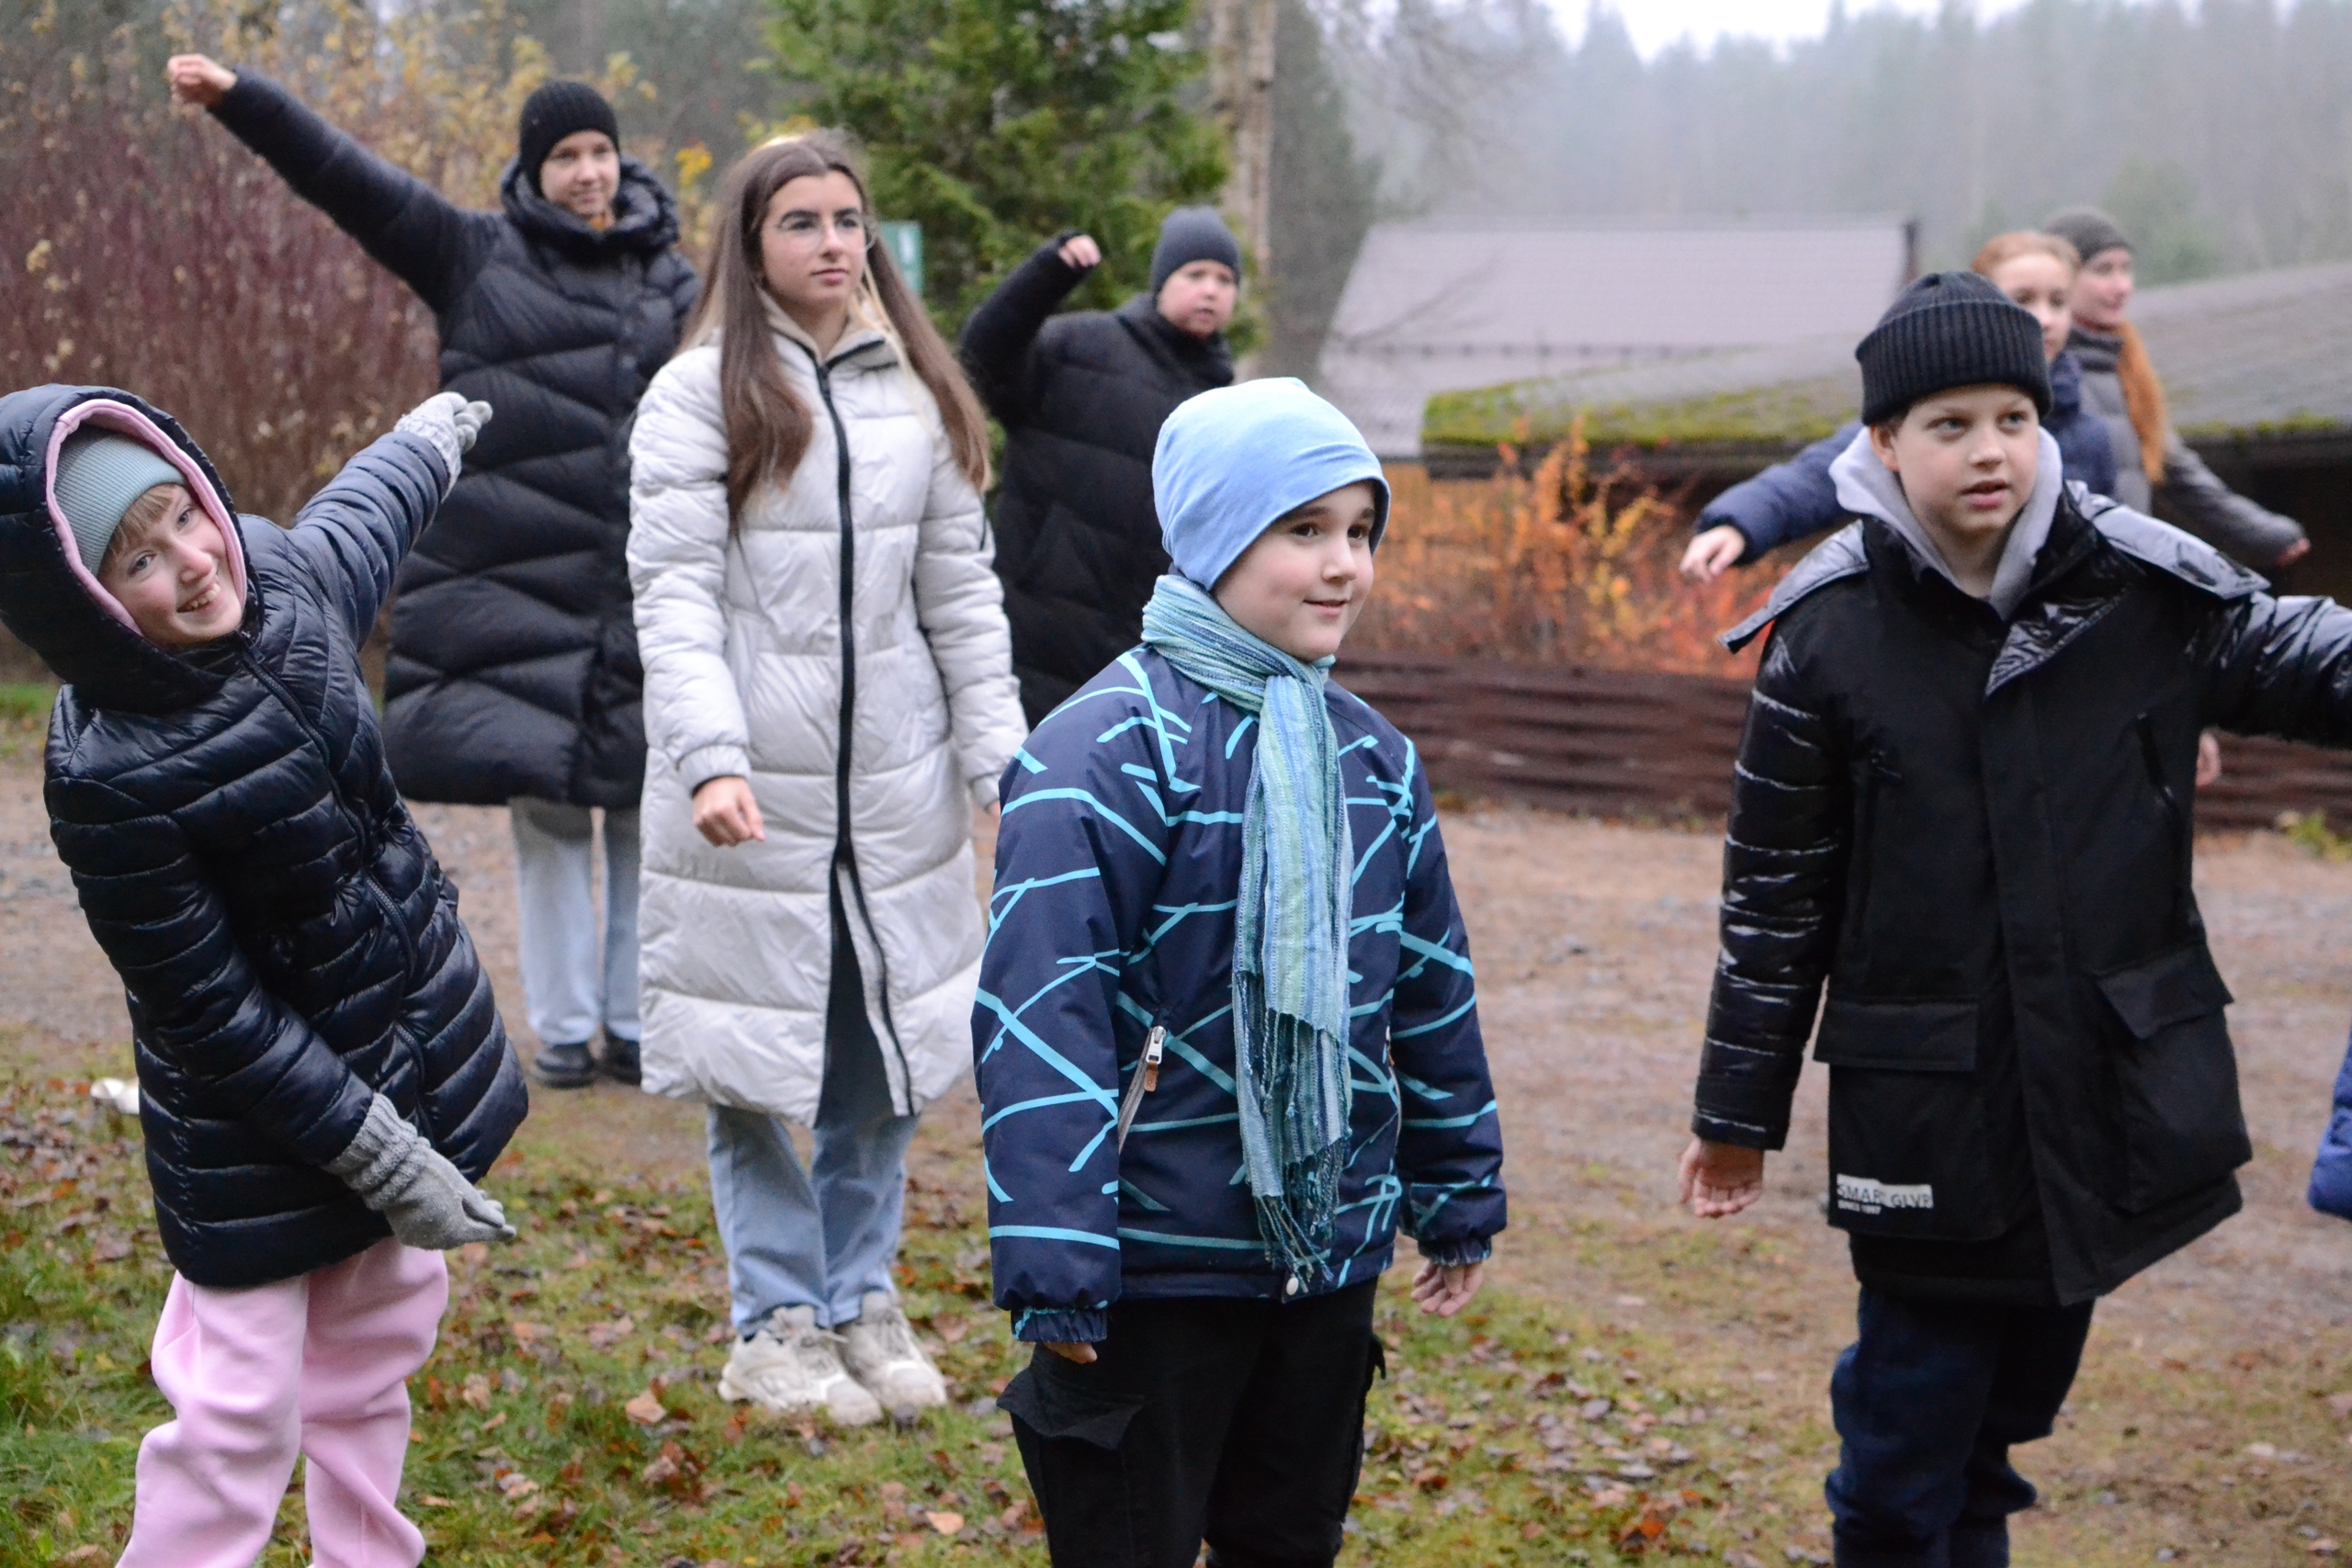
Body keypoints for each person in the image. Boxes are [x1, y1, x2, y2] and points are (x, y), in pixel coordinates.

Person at [1675, 272, 2352, 1568]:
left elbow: (2296, 652)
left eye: (2012, 417)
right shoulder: (1826, 630)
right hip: (1927, 1099)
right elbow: (1773, 895)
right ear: (1882, 442)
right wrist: (1733, 1116)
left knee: (1996, 1436)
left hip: (2101, 1088)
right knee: (1901, 1454)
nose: (1988, 449)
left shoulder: (2138, 585)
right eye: (1949, 424)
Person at [976, 378, 1507, 1567]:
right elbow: (1043, 1019)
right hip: (1151, 1268)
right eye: (1304, 528)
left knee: (1286, 1541)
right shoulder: (1099, 752)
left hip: (1325, 1258)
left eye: (1361, 531)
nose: (1344, 565)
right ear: (1216, 535)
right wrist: (1057, 1259)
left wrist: (1456, 1186)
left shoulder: (1374, 759)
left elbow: (1429, 988)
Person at [0, 385, 525, 1568]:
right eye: (138, 559)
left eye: (185, 515)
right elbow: (209, 1013)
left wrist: (424, 443)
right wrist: (378, 1153)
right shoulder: (109, 773)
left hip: (391, 1070)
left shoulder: (281, 581)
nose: (192, 562)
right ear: (82, 602)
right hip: (250, 1144)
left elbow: (361, 517)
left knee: (374, 1358)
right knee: (237, 1408)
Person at [170, 54, 701, 1090]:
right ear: (534, 170)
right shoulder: (474, 256)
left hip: (642, 590)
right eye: (565, 156)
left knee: (647, 814)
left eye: (600, 151)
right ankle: (565, 1029)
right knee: (549, 819)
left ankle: (638, 1026)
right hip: (516, 597)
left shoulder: (679, 283)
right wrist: (243, 98)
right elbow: (348, 180)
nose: (588, 172)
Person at [627, 132, 1026, 1426]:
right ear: (751, 246)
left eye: (848, 219)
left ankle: (860, 1296)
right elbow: (674, 595)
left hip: (897, 799)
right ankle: (774, 1321)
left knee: (885, 1057)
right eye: (800, 221)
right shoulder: (695, 396)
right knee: (748, 1064)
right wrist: (711, 758)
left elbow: (961, 594)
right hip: (748, 797)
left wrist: (1001, 758)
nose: (832, 243)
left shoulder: (918, 394)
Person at [1679, 230, 2115, 581]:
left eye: (2058, 301)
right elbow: (1815, 476)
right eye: (2023, 300)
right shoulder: (1909, 422)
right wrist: (1742, 520)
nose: (2046, 319)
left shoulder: (2092, 433)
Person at [957, 207, 1241, 724]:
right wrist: (1046, 275)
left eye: (1225, 280)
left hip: (1135, 658)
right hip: (1033, 636)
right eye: (1195, 274)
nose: (1210, 290)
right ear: (1161, 283)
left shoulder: (1223, 405)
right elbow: (981, 361)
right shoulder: (1081, 345)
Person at [2041, 205, 2309, 571]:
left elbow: (2175, 469)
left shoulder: (2125, 366)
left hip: (2121, 573)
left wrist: (2263, 532)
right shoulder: (2042, 372)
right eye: (2103, 270)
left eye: (2126, 269)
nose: (2122, 286)